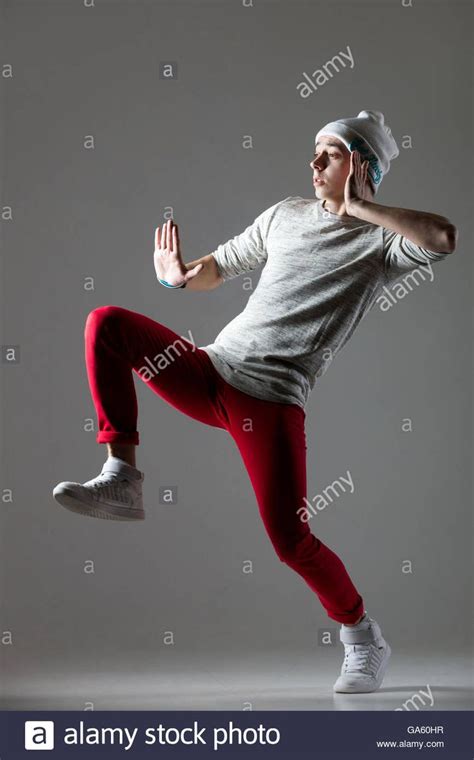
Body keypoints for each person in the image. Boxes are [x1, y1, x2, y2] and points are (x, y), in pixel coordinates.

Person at [53, 110, 458, 694]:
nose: (315, 162)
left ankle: (363, 637)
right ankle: (122, 474)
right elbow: (217, 269)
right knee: (106, 323)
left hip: (270, 402)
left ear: (363, 166)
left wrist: (362, 207)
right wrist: (176, 278)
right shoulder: (284, 215)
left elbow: (444, 239)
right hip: (211, 370)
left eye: (333, 153)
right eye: (315, 150)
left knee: (290, 542)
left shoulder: (382, 242)